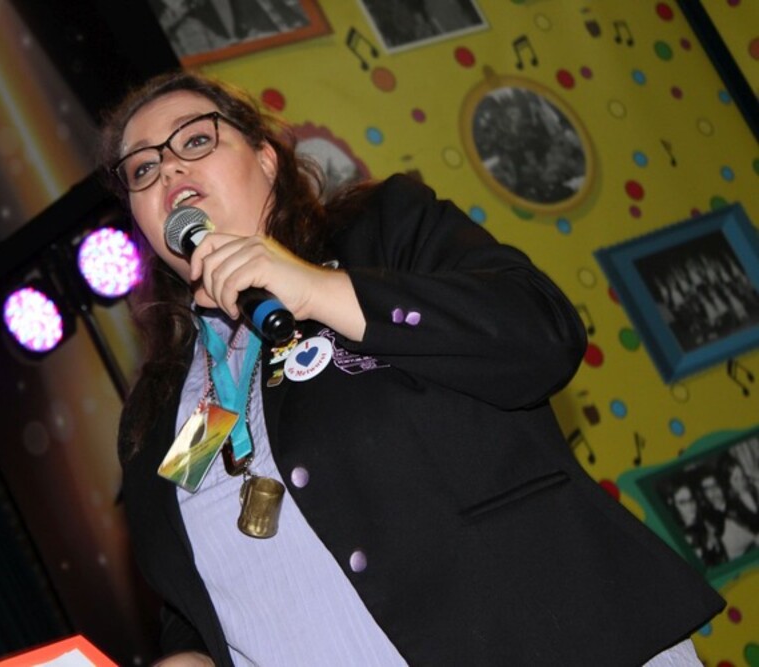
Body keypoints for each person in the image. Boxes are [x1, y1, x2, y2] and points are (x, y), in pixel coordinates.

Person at [100, 69, 725, 666]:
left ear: (266, 159)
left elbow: (542, 334)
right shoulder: (167, 405)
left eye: (195, 140)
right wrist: (191, 657)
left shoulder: (381, 234)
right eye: (142, 169)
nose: (169, 168)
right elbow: (201, 598)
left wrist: (315, 290)